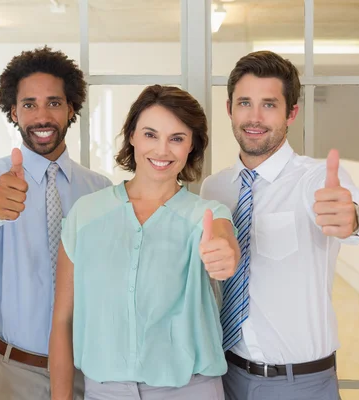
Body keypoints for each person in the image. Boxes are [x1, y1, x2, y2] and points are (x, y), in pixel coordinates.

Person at [49, 85, 240, 400]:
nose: (162, 150)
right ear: (132, 136)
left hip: (189, 391)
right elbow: (62, 319)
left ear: (192, 145)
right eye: (150, 135)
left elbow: (223, 239)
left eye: (176, 138)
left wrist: (223, 252)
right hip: (104, 393)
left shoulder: (206, 214)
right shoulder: (86, 214)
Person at [201, 51, 359, 400]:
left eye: (269, 104)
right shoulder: (214, 188)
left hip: (300, 384)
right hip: (224, 374)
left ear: (291, 112)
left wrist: (350, 216)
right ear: (229, 107)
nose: (255, 117)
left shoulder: (316, 178)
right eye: (245, 102)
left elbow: (347, 212)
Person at [0, 46, 112, 399]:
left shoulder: (100, 190)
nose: (42, 116)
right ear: (13, 111)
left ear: (71, 108)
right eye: (29, 104)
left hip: (89, 370)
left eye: (54, 103)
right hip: (11, 372)